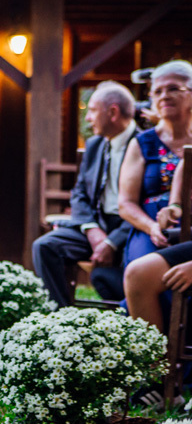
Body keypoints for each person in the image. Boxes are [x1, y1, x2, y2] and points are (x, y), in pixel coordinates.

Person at [31, 81, 137, 306]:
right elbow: (79, 193)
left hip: (132, 231)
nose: (88, 118)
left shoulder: (144, 144)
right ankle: (61, 315)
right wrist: (91, 229)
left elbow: (147, 205)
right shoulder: (95, 145)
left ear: (113, 113)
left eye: (93, 111)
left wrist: (112, 242)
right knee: (45, 246)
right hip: (97, 226)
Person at [119, 60, 192, 267]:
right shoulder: (142, 143)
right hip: (151, 229)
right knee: (146, 268)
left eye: (173, 88)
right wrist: (152, 227)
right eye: (157, 91)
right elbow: (125, 203)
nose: (164, 96)